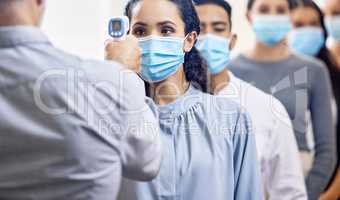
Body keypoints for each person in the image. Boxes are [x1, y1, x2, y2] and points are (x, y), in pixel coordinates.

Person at [0, 0, 162, 199]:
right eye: (140, 31)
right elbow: (146, 162)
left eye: (166, 30)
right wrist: (121, 75)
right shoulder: (101, 84)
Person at [106, 0, 263, 199]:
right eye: (140, 31)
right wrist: (116, 75)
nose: (153, 40)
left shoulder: (232, 119)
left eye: (166, 30)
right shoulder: (114, 117)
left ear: (189, 40)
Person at [193, 0, 307, 199]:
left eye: (218, 28)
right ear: (187, 39)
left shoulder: (266, 108)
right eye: (200, 29)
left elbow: (290, 192)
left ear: (232, 40)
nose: (209, 37)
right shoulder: (166, 105)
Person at [228, 0, 337, 199]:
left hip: (298, 176)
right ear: (248, 16)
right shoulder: (229, 70)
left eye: (280, 10)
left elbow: (326, 149)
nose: (272, 16)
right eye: (264, 9)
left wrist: (306, 193)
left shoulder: (314, 70)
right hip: (244, 174)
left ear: (289, 16)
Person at [289, 1, 340, 199]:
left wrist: (329, 194)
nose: (307, 31)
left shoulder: (333, 77)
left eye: (314, 24)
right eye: (299, 25)